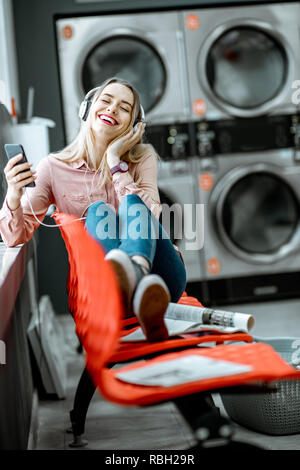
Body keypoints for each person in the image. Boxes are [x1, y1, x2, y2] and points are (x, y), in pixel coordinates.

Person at [0, 77, 187, 342]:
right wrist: (14, 194)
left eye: (124, 108)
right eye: (106, 100)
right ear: (87, 110)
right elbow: (14, 237)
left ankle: (135, 272)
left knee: (135, 205)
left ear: (134, 126)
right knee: (99, 211)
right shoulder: (53, 168)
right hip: (102, 289)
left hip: (162, 281)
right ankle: (128, 286)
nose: (112, 109)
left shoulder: (142, 158)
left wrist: (114, 162)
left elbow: (150, 216)